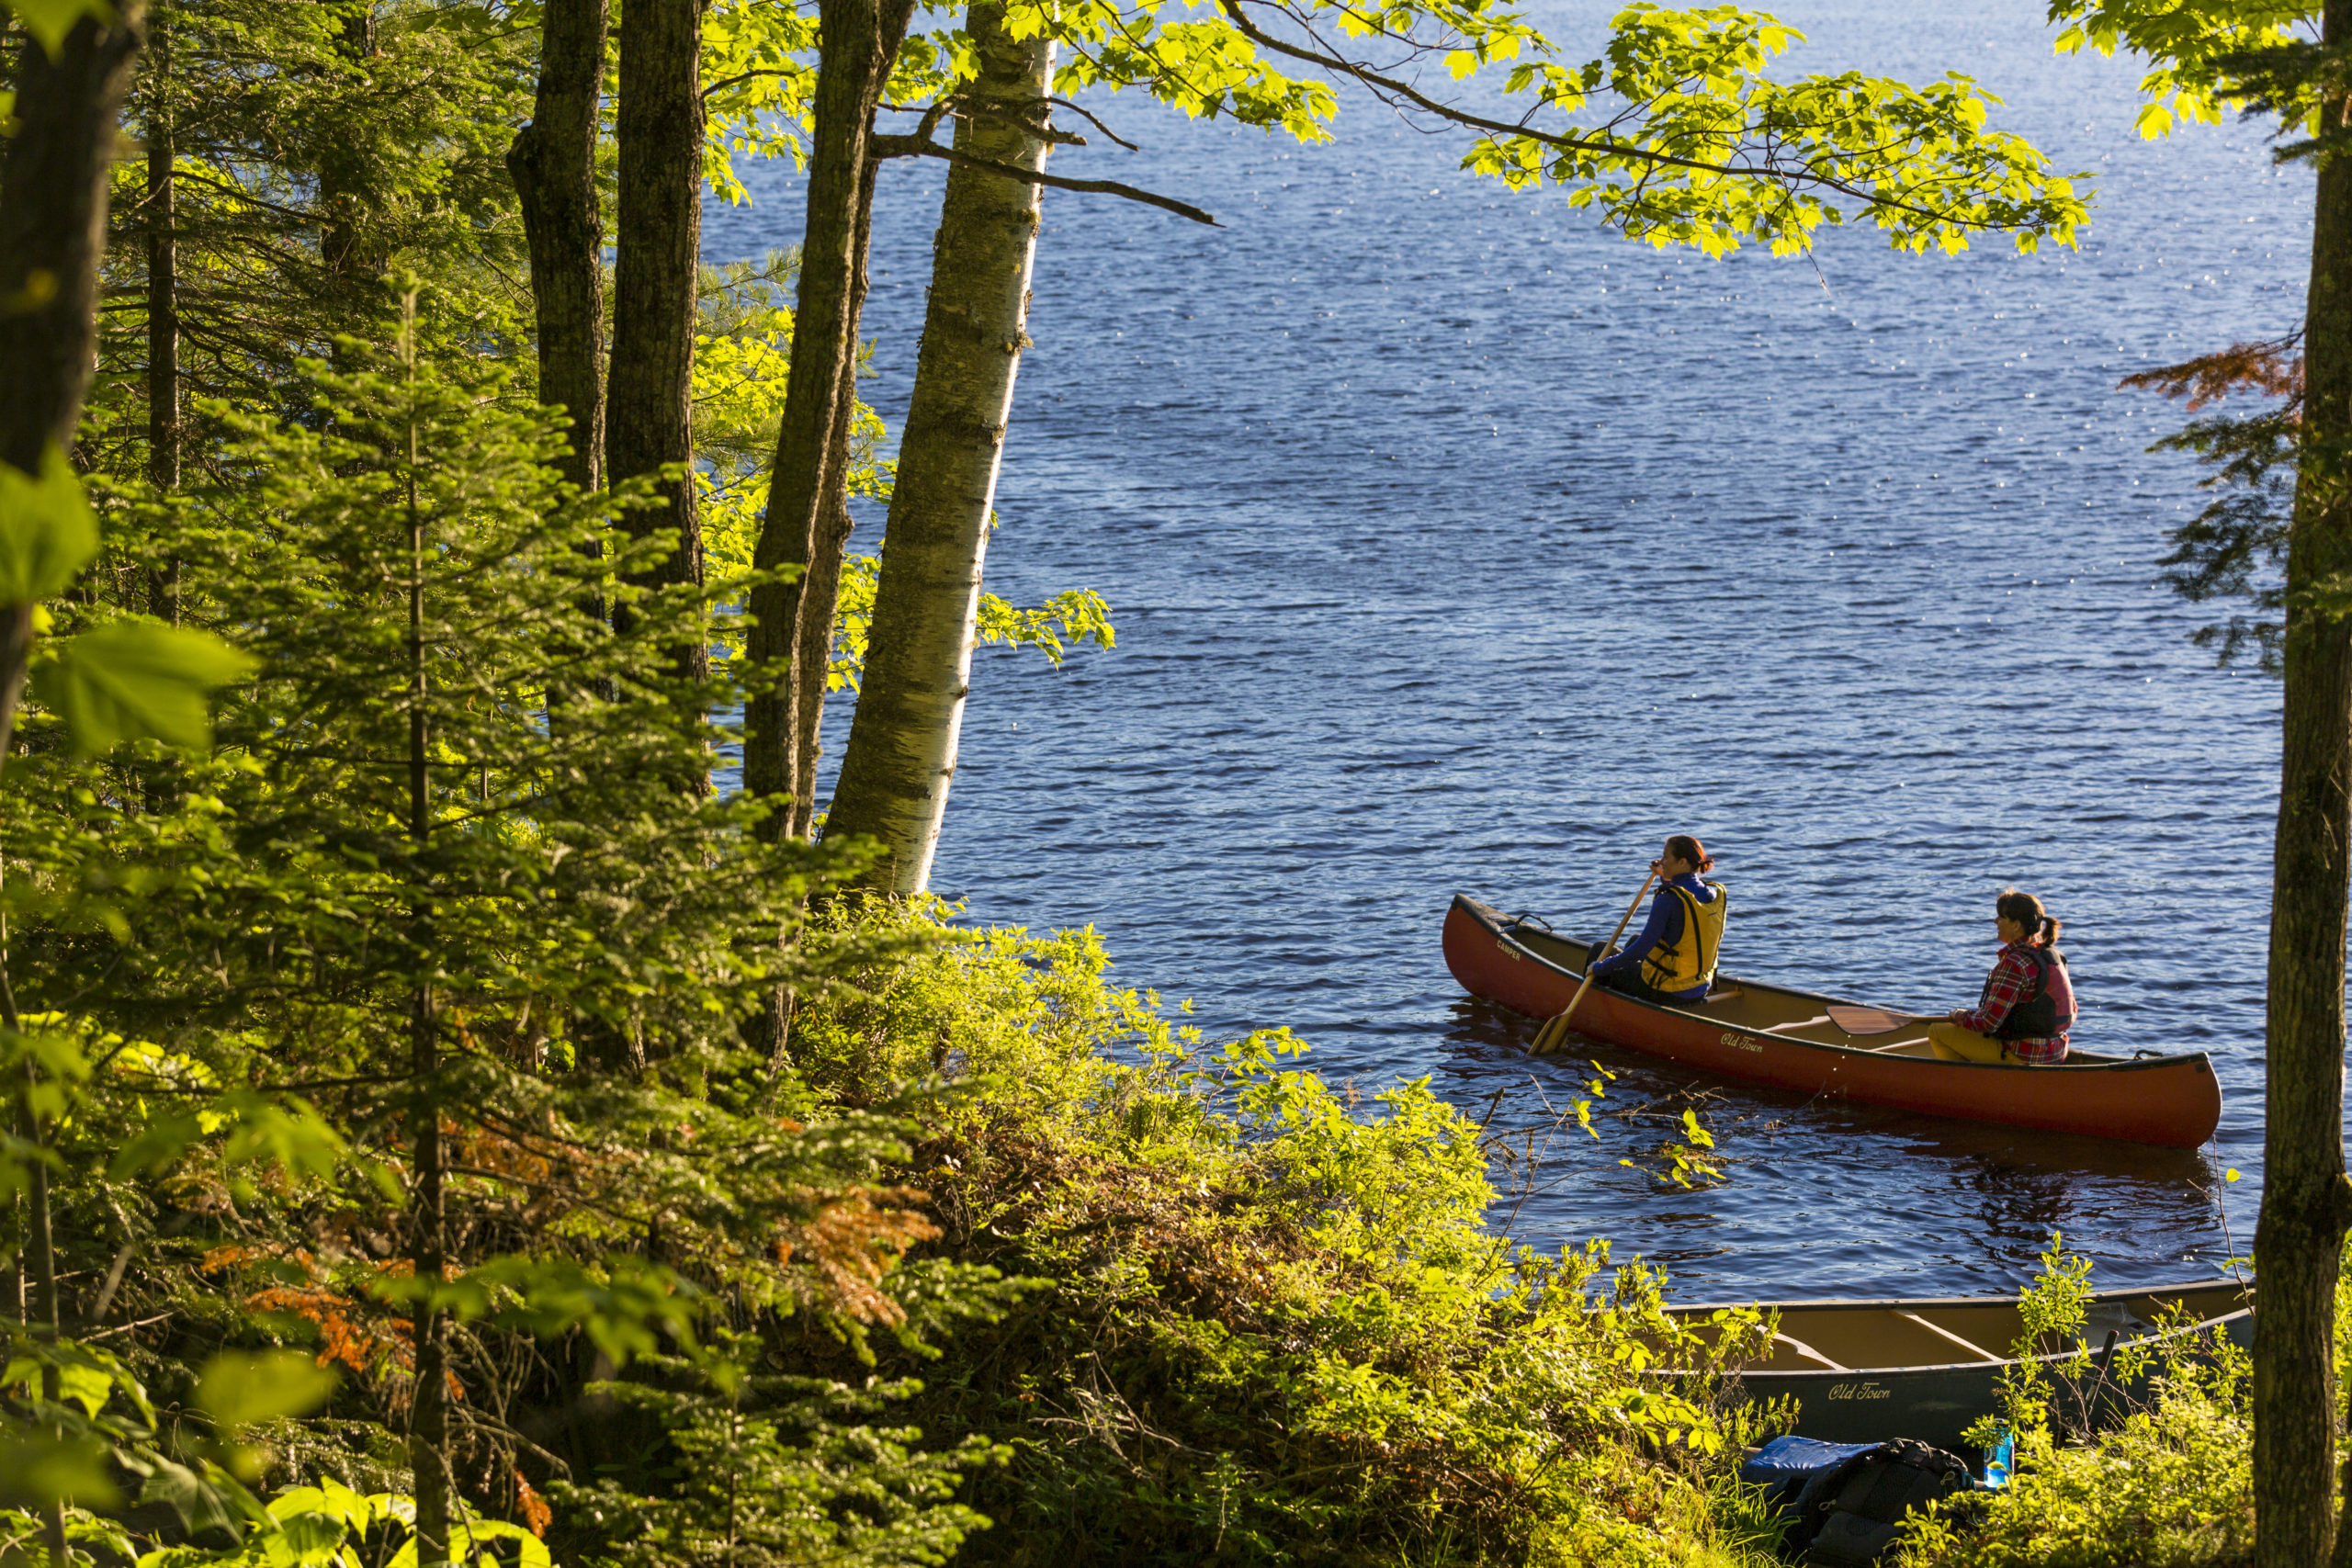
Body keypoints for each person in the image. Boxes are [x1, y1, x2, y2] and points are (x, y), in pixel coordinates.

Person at [1928, 889, 2076, 1064]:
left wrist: (1958, 1015)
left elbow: (1988, 1023)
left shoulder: (2015, 964)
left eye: (2001, 917)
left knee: (1936, 1031)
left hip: (2024, 1055)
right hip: (2055, 1052)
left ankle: (1966, 1084)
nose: (1995, 921)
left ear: (2016, 925)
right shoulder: (2053, 956)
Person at [1588, 835, 1729, 1005]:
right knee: (1634, 939)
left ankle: (1594, 1009)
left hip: (1669, 992)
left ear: (1682, 862)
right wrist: (1667, 877)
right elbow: (1685, 901)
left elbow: (1640, 950)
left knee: (1599, 950)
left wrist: (1600, 967)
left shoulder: (1668, 899)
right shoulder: (1711, 893)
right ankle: (1629, 1004)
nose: (1662, 861)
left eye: (1667, 857)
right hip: (1700, 987)